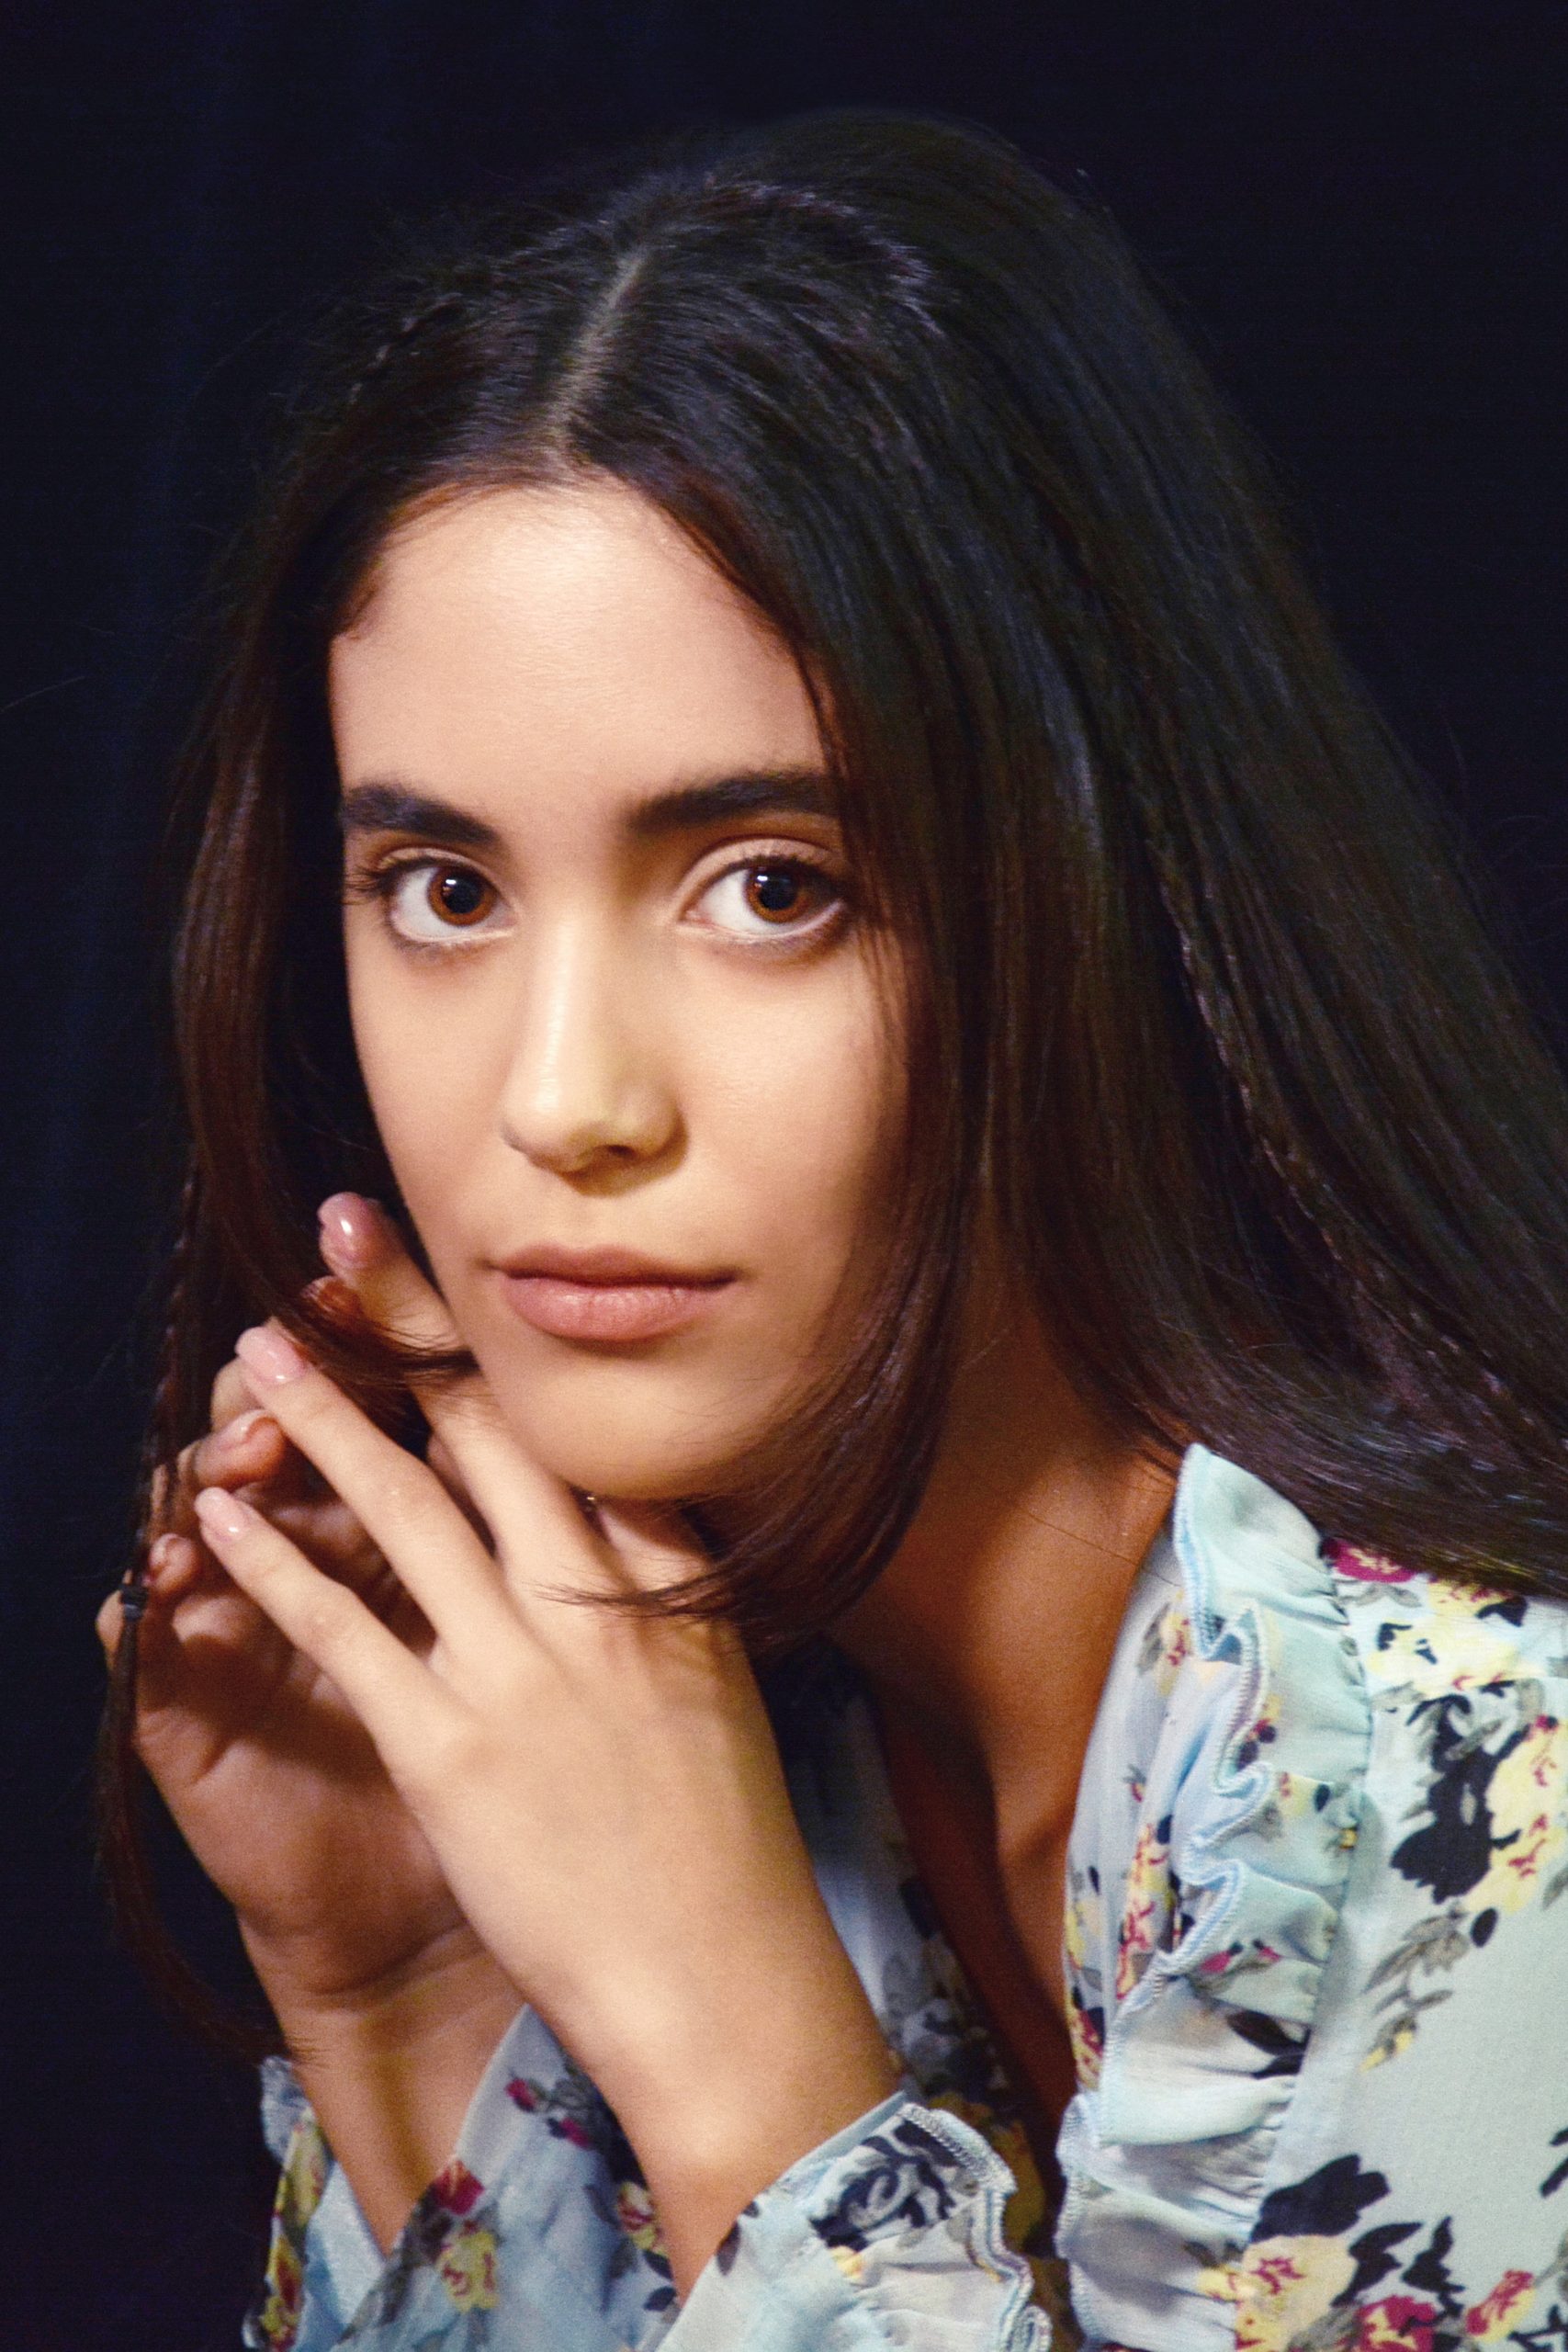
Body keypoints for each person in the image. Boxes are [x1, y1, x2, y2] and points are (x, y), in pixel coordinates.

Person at [96, 110, 1568, 2352]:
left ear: (1099, 894)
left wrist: (738, 2055)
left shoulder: (1457, 1784)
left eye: (768, 885)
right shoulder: (717, 1711)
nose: (561, 1101)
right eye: (445, 890)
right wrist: (407, 1999)